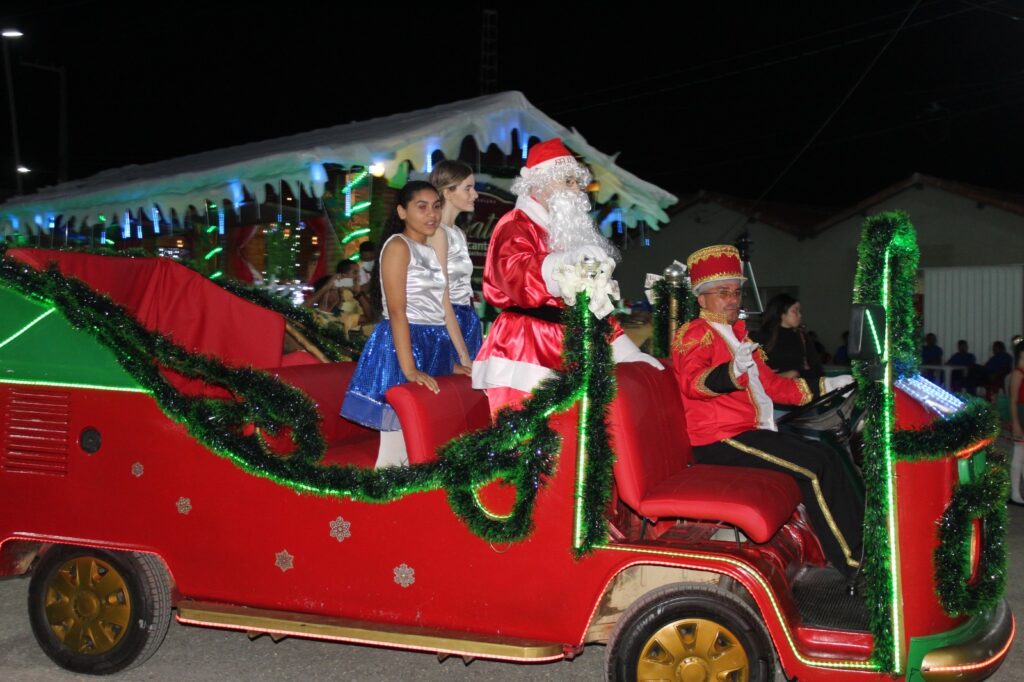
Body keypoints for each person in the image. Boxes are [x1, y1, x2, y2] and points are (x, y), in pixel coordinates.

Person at [673, 244, 863, 577]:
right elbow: (693, 383)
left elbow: (775, 387)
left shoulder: (740, 336)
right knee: (814, 467)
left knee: (828, 454)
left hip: (750, 432)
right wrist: (731, 372)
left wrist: (828, 384)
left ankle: (865, 543)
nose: (733, 299)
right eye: (722, 292)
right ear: (701, 299)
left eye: (736, 292)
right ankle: (853, 561)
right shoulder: (695, 334)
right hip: (719, 439)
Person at [471, 137, 659, 413]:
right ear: (539, 183)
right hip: (525, 344)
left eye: (577, 183)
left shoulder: (566, 236)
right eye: (568, 181)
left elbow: (594, 307)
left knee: (568, 434)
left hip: (568, 346)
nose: (577, 190)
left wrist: (629, 353)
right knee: (524, 431)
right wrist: (563, 264)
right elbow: (514, 274)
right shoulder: (516, 224)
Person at [340, 181, 469, 468]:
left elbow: (435, 310)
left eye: (436, 206)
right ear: (402, 212)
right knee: (397, 448)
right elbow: (398, 312)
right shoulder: (399, 246)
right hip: (403, 345)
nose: (431, 214)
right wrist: (408, 369)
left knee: (422, 444)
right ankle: (379, 495)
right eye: (421, 207)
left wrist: (450, 363)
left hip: (432, 342)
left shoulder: (430, 249)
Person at [428, 160, 482, 367]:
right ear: (448, 192)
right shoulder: (436, 232)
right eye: (468, 188)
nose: (475, 194)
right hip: (445, 322)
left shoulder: (458, 233)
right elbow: (441, 296)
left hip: (465, 318)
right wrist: (463, 355)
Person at [754, 293, 824, 396]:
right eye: (795, 311)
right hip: (771, 396)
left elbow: (817, 369)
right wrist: (773, 375)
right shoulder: (760, 337)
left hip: (800, 395)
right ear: (781, 313)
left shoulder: (802, 337)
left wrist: (797, 373)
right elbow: (750, 370)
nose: (800, 315)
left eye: (799, 311)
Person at [305, 260, 363, 332]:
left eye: (340, 292)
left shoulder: (342, 316)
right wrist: (325, 288)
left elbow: (371, 317)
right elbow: (301, 309)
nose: (341, 297)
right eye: (355, 273)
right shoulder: (313, 315)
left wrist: (358, 294)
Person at [1009, 340, 1024, 504]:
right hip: (1021, 416)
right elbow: (1013, 401)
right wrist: (1016, 423)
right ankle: (1015, 493)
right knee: (1019, 455)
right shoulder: (1017, 373)